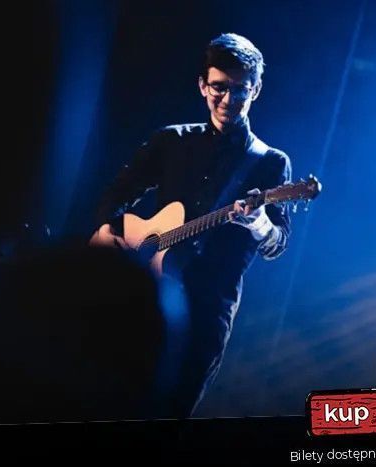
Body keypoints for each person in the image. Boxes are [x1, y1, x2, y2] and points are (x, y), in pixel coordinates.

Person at [94, 33, 292, 417]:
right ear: (203, 85)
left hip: (206, 312)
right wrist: (109, 236)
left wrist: (259, 223)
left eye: (241, 89)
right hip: (145, 298)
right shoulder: (171, 141)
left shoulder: (270, 163)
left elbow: (277, 243)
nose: (229, 99)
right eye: (219, 87)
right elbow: (115, 195)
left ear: (256, 90)